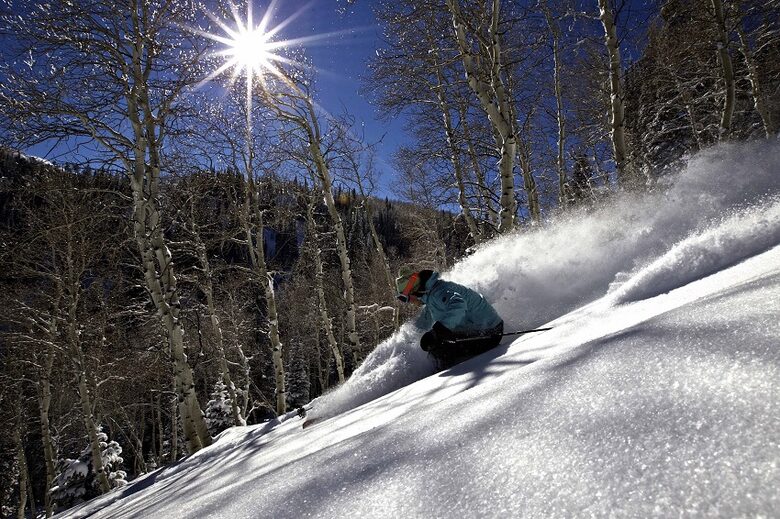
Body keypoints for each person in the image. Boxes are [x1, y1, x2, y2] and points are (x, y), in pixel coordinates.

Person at [395, 267, 504, 369]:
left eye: (407, 299)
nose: (411, 302)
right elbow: (421, 324)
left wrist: (439, 330)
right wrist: (406, 341)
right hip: (479, 331)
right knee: (435, 344)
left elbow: (458, 304)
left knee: (440, 349)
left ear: (414, 290)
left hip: (490, 332)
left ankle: (447, 377)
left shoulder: (440, 291)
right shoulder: (430, 299)